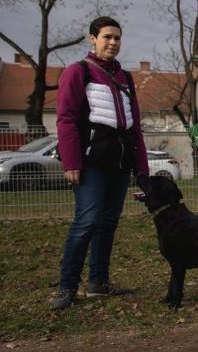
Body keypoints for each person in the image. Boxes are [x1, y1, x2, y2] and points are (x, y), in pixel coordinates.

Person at [50, 16, 149, 310]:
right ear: (92, 38)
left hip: (119, 164)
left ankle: (98, 283)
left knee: (107, 223)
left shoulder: (125, 77)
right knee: (87, 222)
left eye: (117, 38)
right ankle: (67, 286)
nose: (113, 43)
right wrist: (71, 162)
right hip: (90, 163)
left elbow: (135, 127)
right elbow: (66, 119)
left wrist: (141, 169)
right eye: (107, 37)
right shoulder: (77, 71)